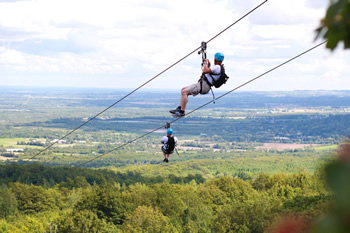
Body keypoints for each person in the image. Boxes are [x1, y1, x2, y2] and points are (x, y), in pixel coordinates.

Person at [170, 52, 225, 117]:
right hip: (204, 85)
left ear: (215, 58)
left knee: (184, 92)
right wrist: (208, 63)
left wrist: (206, 63)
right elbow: (209, 71)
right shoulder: (218, 67)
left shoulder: (217, 67)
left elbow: (205, 71)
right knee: (183, 90)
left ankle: (182, 112)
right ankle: (179, 108)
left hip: (204, 85)